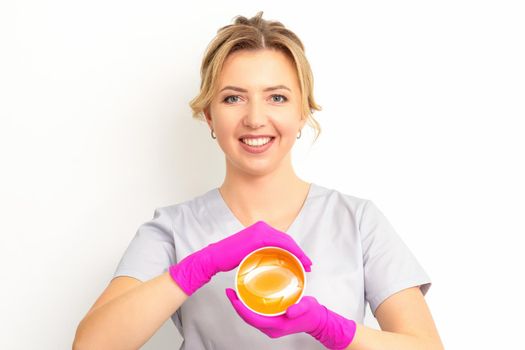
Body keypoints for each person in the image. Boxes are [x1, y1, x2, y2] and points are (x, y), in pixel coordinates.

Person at [73, 11, 444, 350]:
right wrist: (198, 267)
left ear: (302, 112)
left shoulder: (357, 221)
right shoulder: (173, 230)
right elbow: (90, 346)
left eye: (277, 97)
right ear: (208, 116)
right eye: (233, 98)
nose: (254, 118)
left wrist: (334, 329)